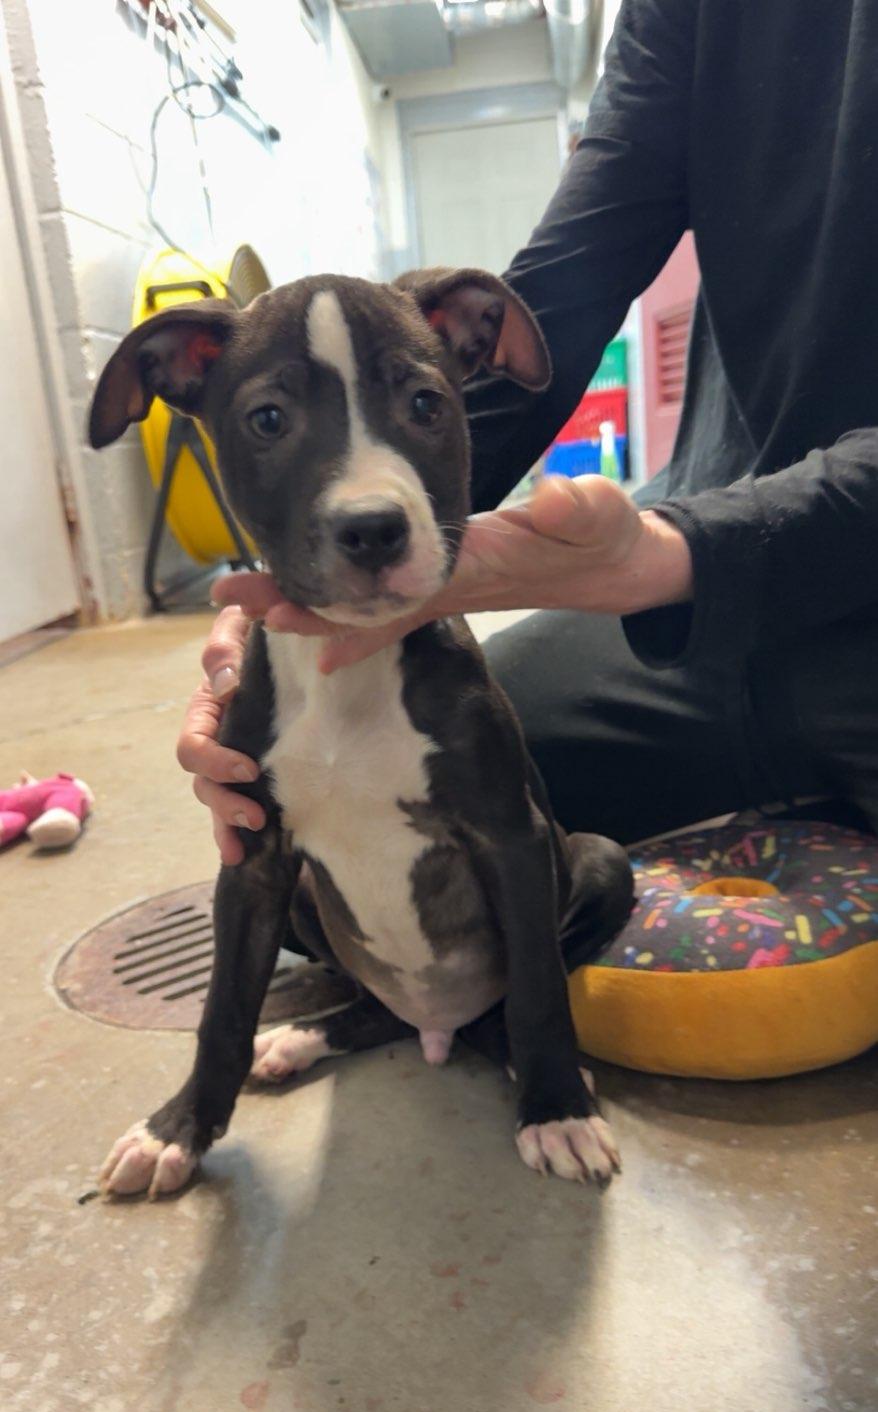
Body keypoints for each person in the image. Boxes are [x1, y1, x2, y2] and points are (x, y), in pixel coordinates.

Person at [178, 0, 878, 865]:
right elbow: (564, 285)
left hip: (752, 575)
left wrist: (675, 552)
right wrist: (307, 588)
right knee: (311, 839)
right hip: (697, 603)